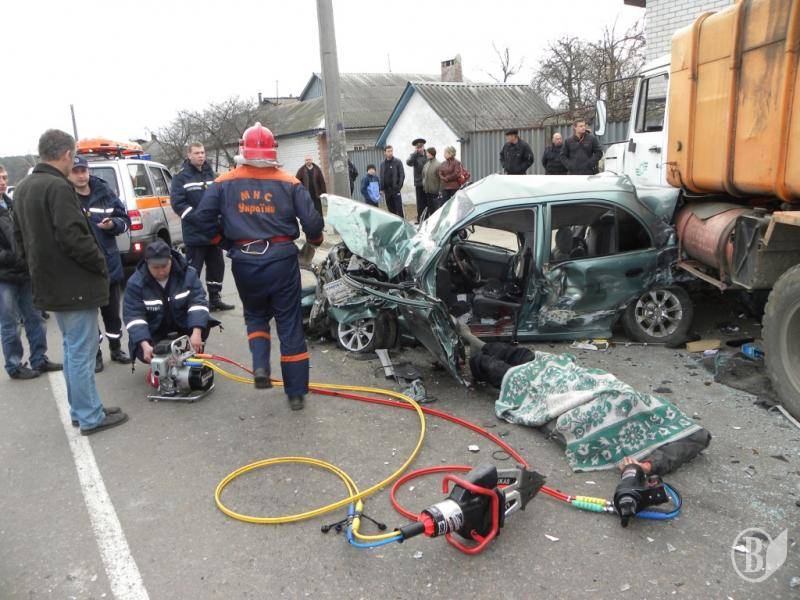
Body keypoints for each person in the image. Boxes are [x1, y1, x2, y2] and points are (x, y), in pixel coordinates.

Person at [188, 123, 324, 411]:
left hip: (245, 262)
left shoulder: (223, 182)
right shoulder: (290, 182)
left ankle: (261, 366)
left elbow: (201, 220)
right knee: (289, 323)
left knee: (256, 315)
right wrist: (315, 241)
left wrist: (225, 242)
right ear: (273, 151)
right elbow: (313, 223)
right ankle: (296, 394)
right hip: (282, 260)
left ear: (243, 151)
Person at [13, 129, 127, 434]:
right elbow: (73, 236)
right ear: (66, 155)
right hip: (73, 285)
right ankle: (90, 416)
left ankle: (82, 409)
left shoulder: (23, 188)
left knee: (71, 348)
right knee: (81, 352)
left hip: (50, 284)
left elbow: (19, 240)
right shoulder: (57, 187)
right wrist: (100, 263)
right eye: (72, 157)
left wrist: (35, 271)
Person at [68, 156, 132, 371]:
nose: (80, 175)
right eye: (76, 171)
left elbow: (125, 221)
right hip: (82, 268)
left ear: (88, 171)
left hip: (108, 265)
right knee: (88, 316)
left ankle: (116, 348)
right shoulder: (65, 197)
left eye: (83, 170)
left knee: (112, 313)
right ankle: (95, 354)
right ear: (69, 174)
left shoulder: (104, 192)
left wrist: (113, 224)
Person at [0, 164, 61, 380]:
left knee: (35, 318)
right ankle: (14, 365)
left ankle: (39, 359)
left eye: (4, 177)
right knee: (10, 324)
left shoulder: (12, 203)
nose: (3, 182)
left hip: (26, 272)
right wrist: (16, 257)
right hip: (5, 277)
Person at [123, 239, 217, 364]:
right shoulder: (135, 283)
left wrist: (196, 333)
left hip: (182, 323)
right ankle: (162, 361)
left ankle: (190, 354)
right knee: (140, 346)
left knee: (203, 322)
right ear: (146, 262)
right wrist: (145, 345)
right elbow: (134, 316)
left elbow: (198, 302)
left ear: (171, 259)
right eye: (155, 268)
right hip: (155, 328)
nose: (161, 271)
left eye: (164, 266)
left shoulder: (187, 274)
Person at [170, 142, 234, 312]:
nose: (201, 155)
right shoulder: (180, 177)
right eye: (197, 153)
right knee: (193, 271)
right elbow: (178, 204)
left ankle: (215, 299)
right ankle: (194, 303)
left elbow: (220, 197)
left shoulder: (211, 174)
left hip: (214, 232)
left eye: (203, 152)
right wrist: (198, 218)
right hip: (195, 233)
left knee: (216, 267)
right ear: (189, 155)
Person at [295, 156, 327, 223]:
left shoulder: (317, 169)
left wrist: (323, 192)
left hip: (316, 194)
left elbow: (322, 181)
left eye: (309, 160)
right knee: (308, 211)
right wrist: (299, 192)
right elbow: (296, 181)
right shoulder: (301, 170)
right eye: (306, 160)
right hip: (306, 195)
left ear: (312, 160)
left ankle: (320, 224)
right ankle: (309, 224)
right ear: (305, 161)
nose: (308, 161)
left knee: (318, 211)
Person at [379, 145, 405, 218]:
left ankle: (402, 223)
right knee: (391, 211)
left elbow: (402, 175)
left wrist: (398, 187)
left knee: (399, 210)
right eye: (388, 151)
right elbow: (381, 176)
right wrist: (381, 188)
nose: (390, 153)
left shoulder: (397, 162)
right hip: (387, 191)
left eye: (391, 151)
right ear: (385, 153)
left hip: (395, 190)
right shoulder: (382, 164)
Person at [406, 138, 428, 223]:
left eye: (421, 147)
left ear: (423, 147)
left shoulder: (428, 154)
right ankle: (420, 219)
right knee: (420, 203)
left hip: (428, 183)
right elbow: (408, 163)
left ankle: (428, 218)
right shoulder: (414, 156)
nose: (419, 149)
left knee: (428, 202)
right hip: (419, 183)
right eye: (417, 147)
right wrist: (414, 154)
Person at [421, 147, 442, 218]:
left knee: (435, 210)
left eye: (427, 153)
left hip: (435, 192)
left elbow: (441, 179)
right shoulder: (426, 164)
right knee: (430, 209)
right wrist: (424, 184)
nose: (426, 154)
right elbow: (423, 176)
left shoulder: (438, 164)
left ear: (431, 154)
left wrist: (440, 190)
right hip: (427, 191)